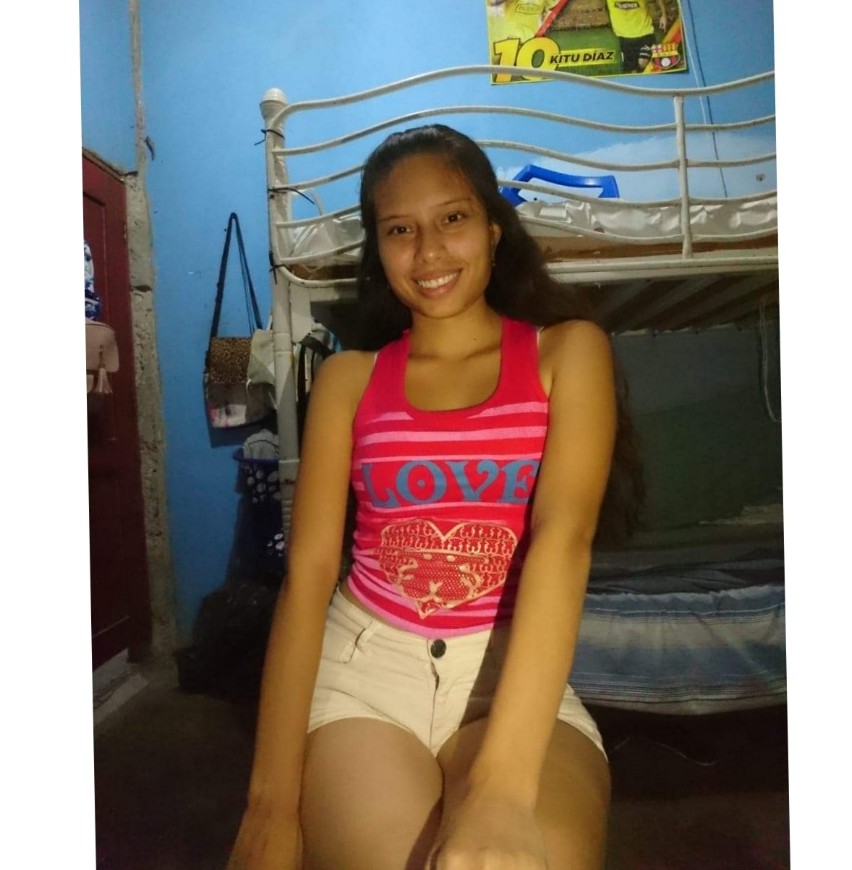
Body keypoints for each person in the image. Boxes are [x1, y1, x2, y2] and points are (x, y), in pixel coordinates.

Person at [228, 123, 642, 870]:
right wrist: (269, 806)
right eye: (399, 229)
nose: (428, 252)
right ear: (378, 247)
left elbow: (564, 541)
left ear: (493, 227)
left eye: (452, 218)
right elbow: (309, 577)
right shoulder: (348, 380)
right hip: (364, 671)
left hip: (508, 670)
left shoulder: (567, 350)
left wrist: (502, 792)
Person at [604, 0, 668, 73]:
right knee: (632, 71)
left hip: (645, 32)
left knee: (643, 62)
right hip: (624, 35)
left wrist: (664, 15)